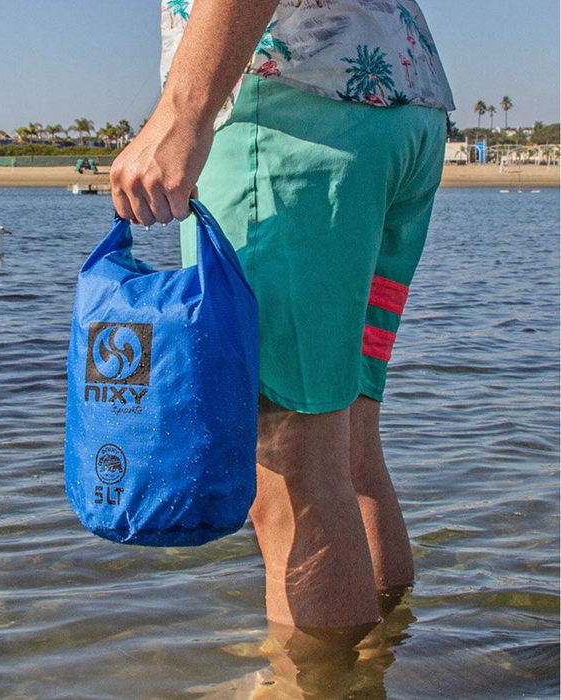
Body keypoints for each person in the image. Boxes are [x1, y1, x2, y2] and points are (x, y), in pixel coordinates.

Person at [110, 0, 454, 632]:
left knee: (289, 468)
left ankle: (312, 684)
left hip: (291, 116)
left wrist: (184, 111)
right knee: (346, 445)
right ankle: (379, 661)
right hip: (401, 106)